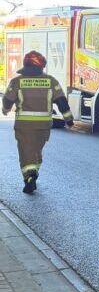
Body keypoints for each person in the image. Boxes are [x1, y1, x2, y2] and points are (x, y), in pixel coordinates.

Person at [2, 51, 74, 194]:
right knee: (36, 152)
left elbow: (7, 100)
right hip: (44, 126)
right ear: (42, 66)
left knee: (25, 152)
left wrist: (5, 109)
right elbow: (62, 101)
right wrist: (68, 119)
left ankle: (30, 177)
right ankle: (33, 172)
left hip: (24, 126)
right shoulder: (51, 81)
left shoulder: (17, 81)